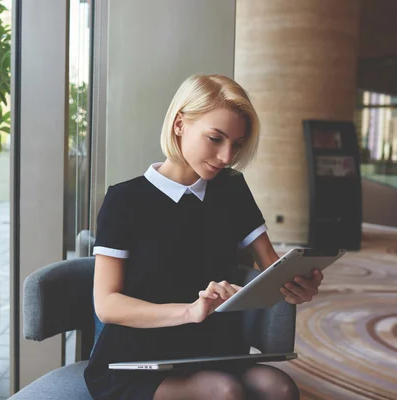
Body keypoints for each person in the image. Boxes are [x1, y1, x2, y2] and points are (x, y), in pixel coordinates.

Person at [83, 74, 324, 400]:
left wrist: (294, 286)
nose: (227, 156)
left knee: (280, 388)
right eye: (215, 138)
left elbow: (271, 266)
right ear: (180, 124)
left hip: (214, 348)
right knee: (222, 391)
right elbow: (107, 305)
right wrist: (189, 311)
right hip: (136, 356)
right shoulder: (125, 200)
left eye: (236, 144)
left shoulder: (231, 189)